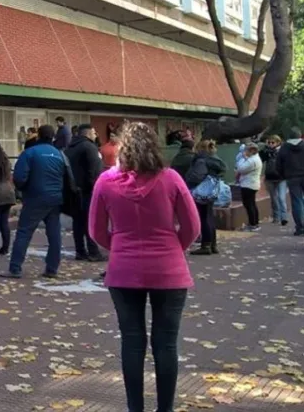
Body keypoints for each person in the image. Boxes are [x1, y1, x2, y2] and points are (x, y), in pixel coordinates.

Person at [88, 122, 200, 412]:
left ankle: (134, 407)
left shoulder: (105, 181)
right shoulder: (171, 179)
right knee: (166, 343)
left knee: (132, 341)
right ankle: (165, 408)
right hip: (169, 271)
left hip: (124, 271)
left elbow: (96, 230)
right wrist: (174, 247)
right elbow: (192, 226)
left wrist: (119, 247)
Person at [0, 125, 67, 279]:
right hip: (55, 198)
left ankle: (15, 268)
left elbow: (19, 177)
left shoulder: (30, 153)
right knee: (54, 234)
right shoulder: (59, 154)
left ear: (38, 136)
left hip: (35, 197)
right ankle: (52, 268)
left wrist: (24, 190)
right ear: (53, 137)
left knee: (24, 232)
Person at [65, 124, 105, 262]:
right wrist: (96, 189)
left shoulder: (70, 148)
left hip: (74, 190)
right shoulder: (89, 147)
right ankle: (93, 252)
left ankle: (80, 251)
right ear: (88, 133)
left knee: (78, 222)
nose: (95, 135)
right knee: (90, 221)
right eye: (94, 132)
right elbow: (94, 171)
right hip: (88, 191)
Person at [185, 140, 227, 255]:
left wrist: (188, 180)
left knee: (203, 217)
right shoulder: (214, 159)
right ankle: (213, 244)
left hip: (201, 191)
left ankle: (206, 245)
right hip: (211, 190)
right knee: (209, 216)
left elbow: (197, 176)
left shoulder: (201, 160)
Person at [276, 127, 304, 236]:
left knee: (297, 201)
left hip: (292, 177)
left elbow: (278, 164)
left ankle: (300, 227)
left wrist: (283, 175)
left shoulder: (284, 148)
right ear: (300, 135)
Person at [261, 135, 288, 226]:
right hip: (270, 178)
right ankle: (276, 217)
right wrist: (265, 148)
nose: (271, 144)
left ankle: (284, 217)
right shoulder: (266, 152)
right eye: (269, 142)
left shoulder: (283, 151)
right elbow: (260, 158)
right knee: (274, 199)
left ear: (278, 142)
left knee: (281, 198)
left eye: (273, 142)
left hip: (281, 178)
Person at [235, 143, 263, 231]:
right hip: (252, 184)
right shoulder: (254, 159)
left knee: (249, 205)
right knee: (252, 204)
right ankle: (255, 223)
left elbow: (240, 169)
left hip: (248, 185)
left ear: (252, 151)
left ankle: (252, 224)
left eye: (246, 150)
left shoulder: (252, 161)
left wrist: (242, 158)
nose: (245, 152)